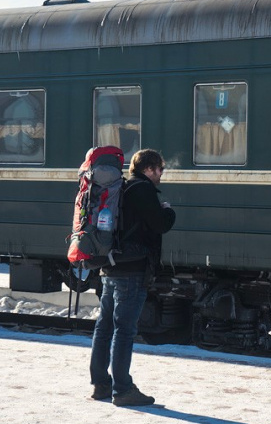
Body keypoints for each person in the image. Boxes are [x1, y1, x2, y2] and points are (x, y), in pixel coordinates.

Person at [89, 149, 176, 407]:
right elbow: (160, 224)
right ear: (149, 168)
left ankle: (101, 384)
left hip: (111, 266)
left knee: (104, 328)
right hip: (132, 269)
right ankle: (123, 389)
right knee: (124, 331)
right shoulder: (143, 190)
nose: (161, 174)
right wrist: (168, 211)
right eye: (160, 169)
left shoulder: (122, 188)